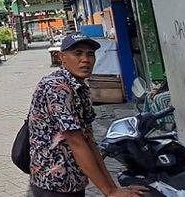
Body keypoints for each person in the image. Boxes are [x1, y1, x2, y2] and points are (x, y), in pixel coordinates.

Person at [28, 33, 147, 197]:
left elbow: (89, 141)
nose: (85, 59)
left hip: (74, 179)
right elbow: (77, 142)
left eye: (90, 54)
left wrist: (113, 189)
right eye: (77, 53)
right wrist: (110, 191)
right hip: (54, 184)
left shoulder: (78, 86)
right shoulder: (56, 87)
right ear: (62, 57)